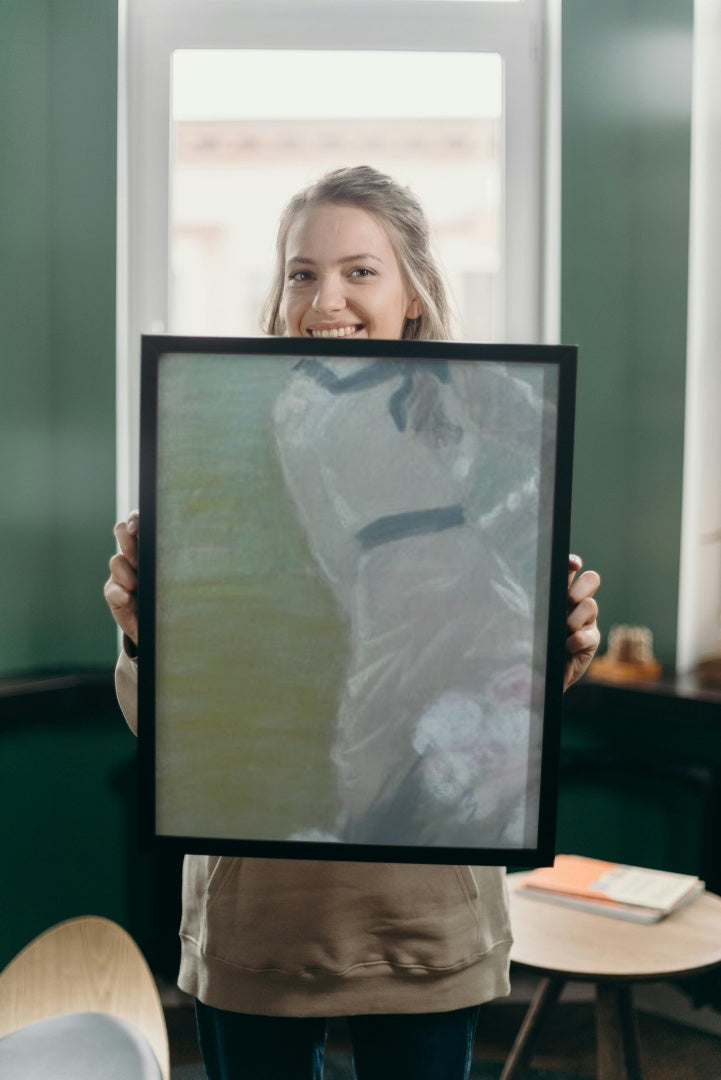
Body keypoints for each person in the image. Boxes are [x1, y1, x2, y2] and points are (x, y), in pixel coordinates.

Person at [105, 166, 601, 1080]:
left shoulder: (465, 389)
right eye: (301, 273)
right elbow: (175, 723)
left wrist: (540, 609)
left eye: (359, 271)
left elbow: (521, 679)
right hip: (264, 912)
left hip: (426, 911)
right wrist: (146, 635)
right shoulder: (234, 412)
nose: (325, 298)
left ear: (411, 290)